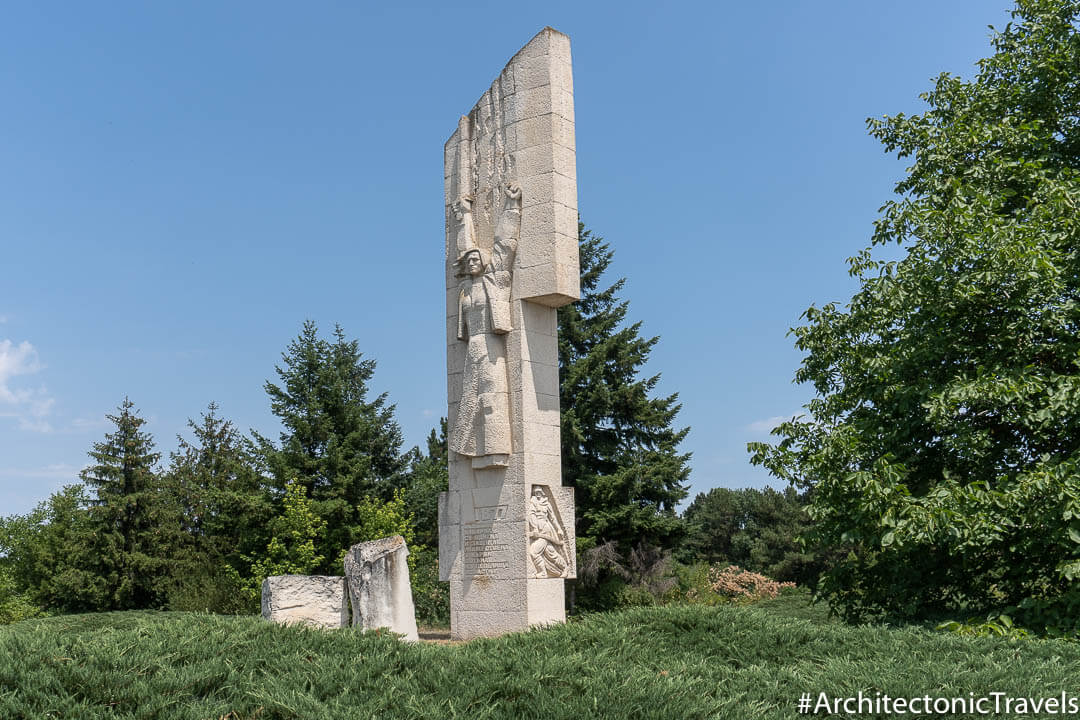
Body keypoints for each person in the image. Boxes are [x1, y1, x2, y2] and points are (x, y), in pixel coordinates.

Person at [448, 184, 520, 469]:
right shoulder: (465, 287)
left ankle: (496, 448)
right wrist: (464, 214)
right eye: (470, 259)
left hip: (491, 343)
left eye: (478, 257)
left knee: (493, 394)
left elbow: (504, 244)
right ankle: (471, 447)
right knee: (471, 395)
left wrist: (512, 207)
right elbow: (465, 246)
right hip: (474, 344)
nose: (473, 260)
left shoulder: (496, 279)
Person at [527, 485, 569, 578]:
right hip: (538, 528)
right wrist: (535, 528)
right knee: (551, 553)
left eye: (539, 492)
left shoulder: (547, 503)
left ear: (542, 493)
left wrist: (559, 529)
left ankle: (542, 572)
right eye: (535, 493)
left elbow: (553, 518)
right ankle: (564, 568)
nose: (537, 495)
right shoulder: (532, 502)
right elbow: (531, 516)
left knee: (534, 551)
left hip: (546, 528)